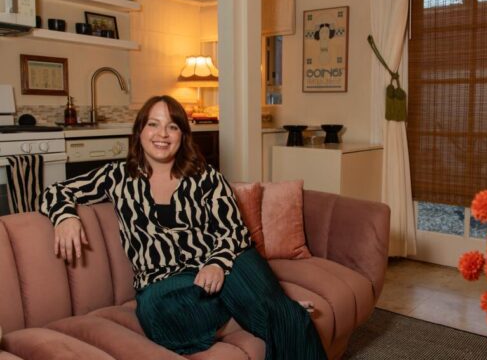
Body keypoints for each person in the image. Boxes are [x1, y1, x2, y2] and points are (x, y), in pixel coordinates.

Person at [41, 95, 326, 359]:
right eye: (153, 124)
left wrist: (216, 264)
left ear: (183, 135)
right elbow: (55, 191)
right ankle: (255, 313)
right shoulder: (117, 176)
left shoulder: (206, 177)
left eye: (172, 126)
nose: (162, 134)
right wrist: (66, 217)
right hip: (167, 282)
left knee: (286, 317)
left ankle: (274, 312)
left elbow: (233, 230)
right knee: (155, 312)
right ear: (139, 131)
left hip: (225, 263)